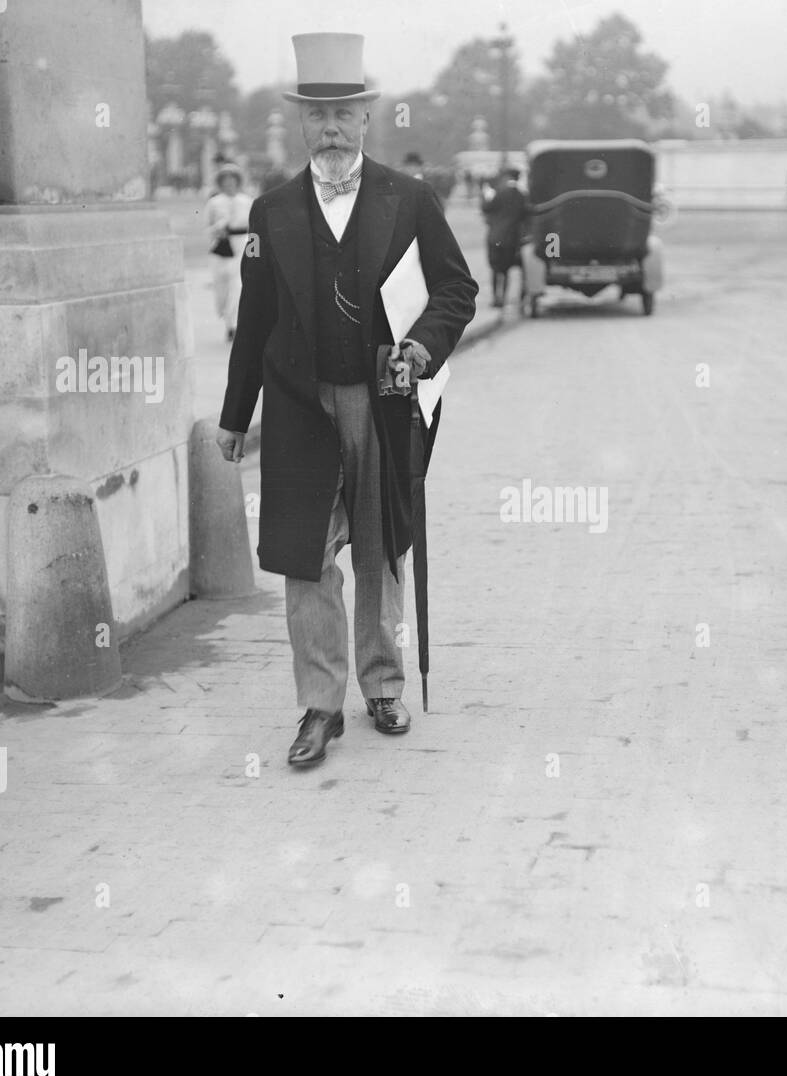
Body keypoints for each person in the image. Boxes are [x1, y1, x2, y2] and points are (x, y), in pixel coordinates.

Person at [216, 32, 477, 767]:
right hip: (300, 406)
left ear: (367, 119)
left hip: (381, 402)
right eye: (317, 115)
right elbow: (256, 322)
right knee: (306, 558)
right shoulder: (271, 212)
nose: (331, 129)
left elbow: (458, 288)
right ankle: (320, 707)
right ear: (302, 123)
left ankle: (383, 685)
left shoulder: (410, 198)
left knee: (381, 549)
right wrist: (237, 417)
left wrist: (422, 345)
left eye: (345, 114)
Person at [205, 163, 252, 342]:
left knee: (238, 286)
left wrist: (254, 254)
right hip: (221, 248)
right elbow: (207, 226)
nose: (229, 184)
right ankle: (227, 319)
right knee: (222, 290)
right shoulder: (214, 202)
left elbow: (255, 228)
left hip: (242, 245)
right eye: (225, 181)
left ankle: (234, 326)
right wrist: (217, 231)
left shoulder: (247, 201)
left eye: (232, 180)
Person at [481, 167, 526, 308]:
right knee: (506, 270)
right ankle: (504, 298)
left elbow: (486, 208)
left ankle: (496, 298)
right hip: (511, 238)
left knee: (495, 268)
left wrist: (485, 195)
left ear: (506, 177)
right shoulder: (521, 196)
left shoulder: (499, 193)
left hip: (495, 236)